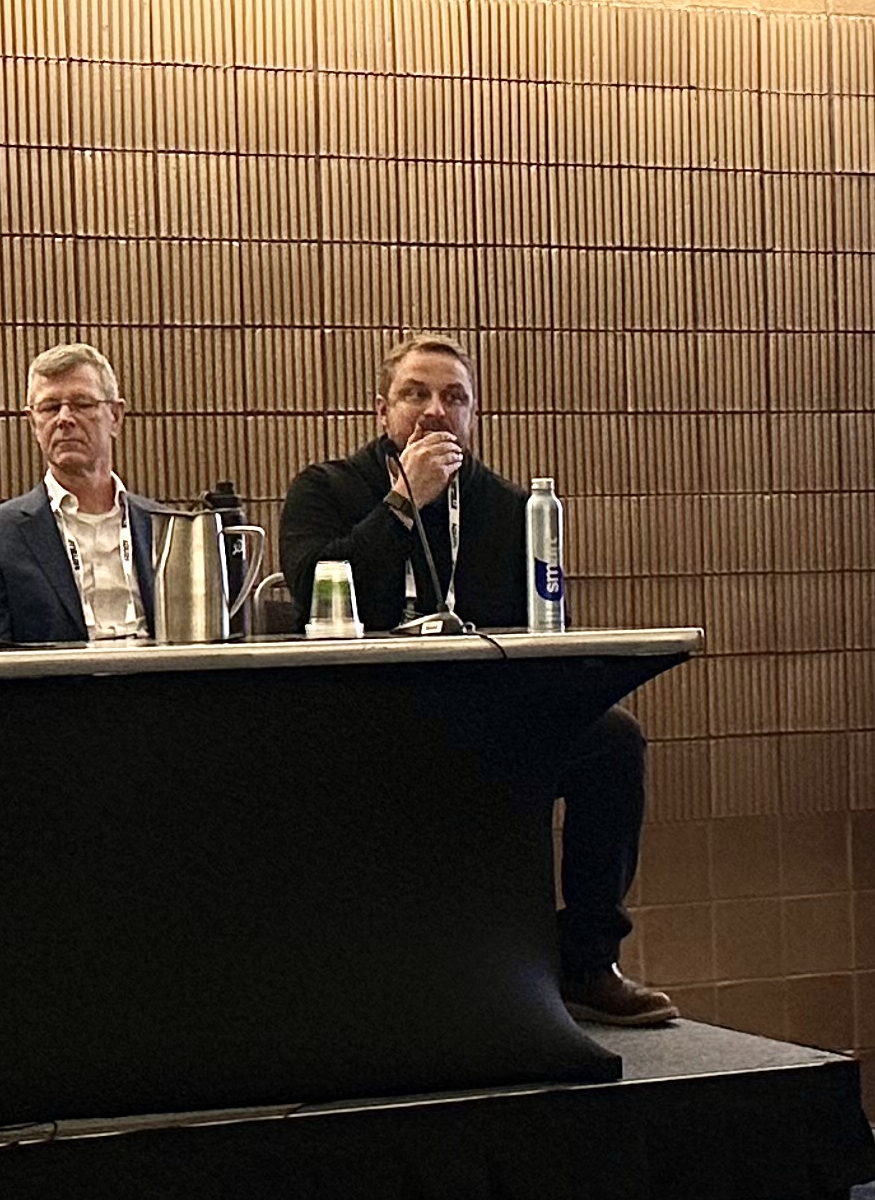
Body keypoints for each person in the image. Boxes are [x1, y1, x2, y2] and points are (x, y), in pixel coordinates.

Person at [279, 333, 673, 1029]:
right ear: (382, 412)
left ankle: (587, 960)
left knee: (612, 741)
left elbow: (553, 627)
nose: (435, 411)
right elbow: (315, 590)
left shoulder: (513, 507)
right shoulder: (326, 489)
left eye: (454, 397)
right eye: (416, 394)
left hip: (490, 716)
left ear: (474, 415)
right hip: (368, 718)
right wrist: (402, 504)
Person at [0, 343, 163, 645]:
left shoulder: (165, 528)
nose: (64, 419)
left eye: (82, 404)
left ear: (115, 415)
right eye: (49, 408)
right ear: (34, 423)